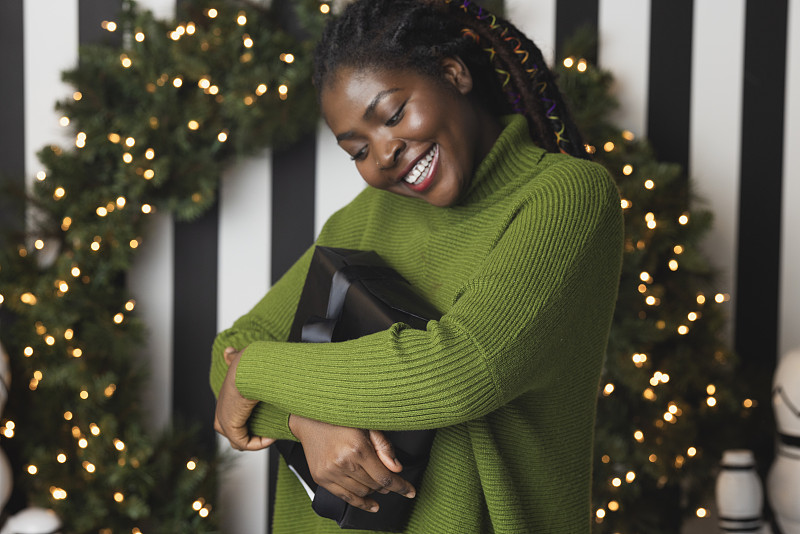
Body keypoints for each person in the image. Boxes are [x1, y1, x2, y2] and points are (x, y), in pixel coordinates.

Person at [211, 0, 624, 532]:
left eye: (393, 115)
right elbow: (227, 351)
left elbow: (459, 372)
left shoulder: (566, 196)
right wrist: (303, 421)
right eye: (358, 150)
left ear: (454, 74)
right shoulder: (367, 215)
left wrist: (255, 373)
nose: (383, 153)